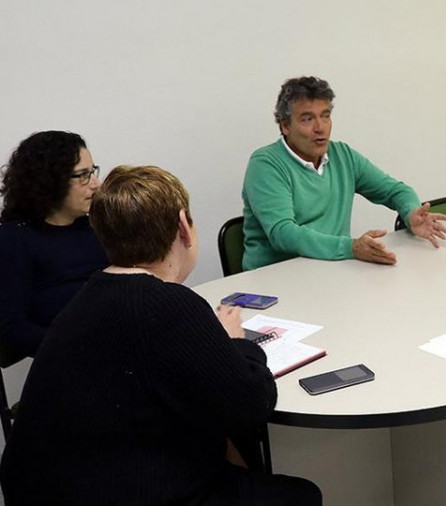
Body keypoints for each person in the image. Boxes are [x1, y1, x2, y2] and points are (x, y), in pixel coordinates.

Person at [0, 166, 322, 506]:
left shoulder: (90, 294)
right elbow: (253, 404)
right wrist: (236, 343)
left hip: (43, 487)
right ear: (183, 226)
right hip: (120, 490)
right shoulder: (168, 304)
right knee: (300, 495)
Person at [241, 76, 446, 270]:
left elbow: (395, 190)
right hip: (276, 280)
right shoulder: (266, 164)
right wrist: (350, 248)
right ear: (285, 126)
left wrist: (411, 212)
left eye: (325, 116)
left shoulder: (342, 155)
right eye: (307, 119)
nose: (320, 127)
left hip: (332, 271)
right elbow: (283, 234)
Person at [0, 131, 108, 358]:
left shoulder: (95, 225)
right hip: (71, 361)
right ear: (51, 181)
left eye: (92, 172)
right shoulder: (15, 240)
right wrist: (81, 349)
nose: (96, 184)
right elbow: (11, 329)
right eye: (83, 175)